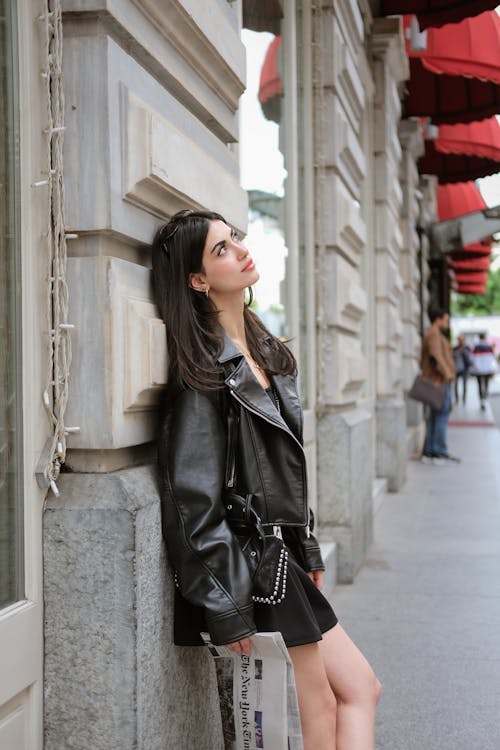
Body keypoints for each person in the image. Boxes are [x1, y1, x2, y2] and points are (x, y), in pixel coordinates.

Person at [152, 209, 381, 750]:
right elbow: (193, 503)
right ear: (198, 280)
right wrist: (229, 610)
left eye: (234, 238)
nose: (239, 249)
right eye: (221, 249)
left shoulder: (262, 352)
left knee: (361, 690)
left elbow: (284, 472)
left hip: (282, 561)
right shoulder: (203, 373)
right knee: (324, 706)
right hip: (252, 568)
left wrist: (308, 548)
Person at [421, 307, 458, 465]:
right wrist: (447, 374)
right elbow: (435, 356)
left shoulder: (434, 333)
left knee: (436, 416)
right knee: (441, 415)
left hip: (438, 380)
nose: (447, 322)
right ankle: (438, 451)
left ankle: (431, 451)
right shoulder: (434, 334)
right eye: (446, 319)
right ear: (438, 319)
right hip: (439, 380)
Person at [471, 333, 498, 410]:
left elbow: (472, 358)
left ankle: (481, 400)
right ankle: (485, 399)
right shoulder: (488, 346)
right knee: (486, 384)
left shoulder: (476, 346)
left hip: (478, 369)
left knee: (479, 384)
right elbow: (492, 357)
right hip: (487, 369)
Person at [452, 334, 473, 405]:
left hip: (464, 369)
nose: (461, 341)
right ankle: (457, 399)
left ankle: (464, 399)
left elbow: (470, 359)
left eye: (462, 340)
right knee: (456, 384)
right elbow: (451, 358)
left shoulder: (467, 348)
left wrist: (463, 352)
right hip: (456, 369)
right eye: (459, 340)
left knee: (464, 384)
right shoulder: (455, 348)